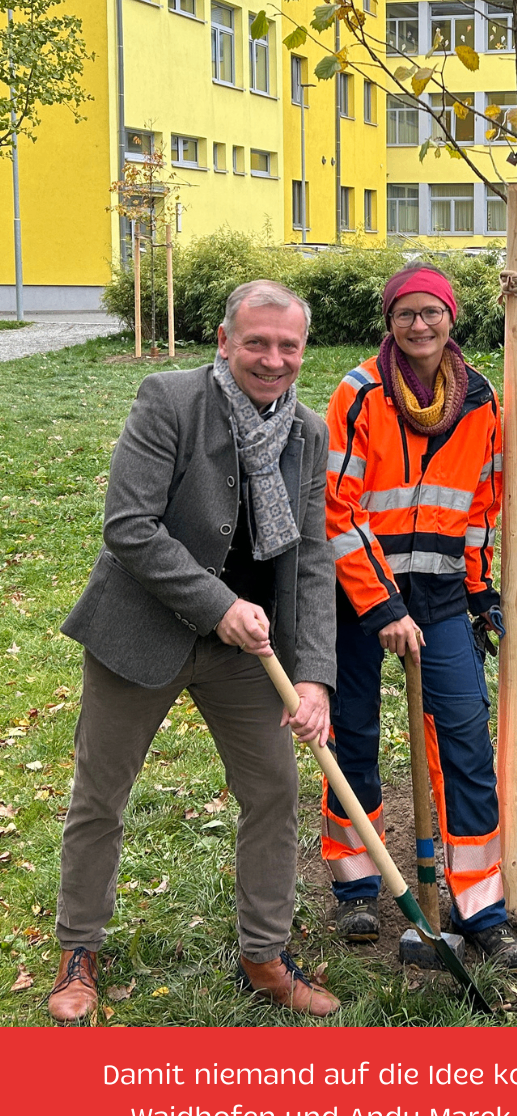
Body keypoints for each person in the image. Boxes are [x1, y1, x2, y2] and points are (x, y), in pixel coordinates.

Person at [50, 280, 341, 1021]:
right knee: (100, 797)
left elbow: (309, 559)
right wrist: (218, 606)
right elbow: (130, 526)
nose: (273, 360)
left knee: (275, 791)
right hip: (141, 631)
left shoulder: (308, 432)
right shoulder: (170, 400)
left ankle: (263, 952)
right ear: (223, 340)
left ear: (303, 350)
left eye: (288, 346)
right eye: (257, 343)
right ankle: (79, 947)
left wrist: (313, 680)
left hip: (251, 652)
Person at [322, 266, 517, 972]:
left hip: (440, 595)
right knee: (353, 729)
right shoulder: (358, 394)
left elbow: (480, 505)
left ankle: (480, 909)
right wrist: (380, 604)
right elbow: (337, 509)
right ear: (391, 321)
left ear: (451, 318)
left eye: (431, 313)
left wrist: (479, 594)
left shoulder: (479, 399)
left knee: (466, 738)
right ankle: (357, 885)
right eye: (406, 314)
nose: (419, 326)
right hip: (355, 595)